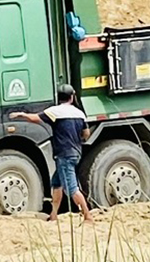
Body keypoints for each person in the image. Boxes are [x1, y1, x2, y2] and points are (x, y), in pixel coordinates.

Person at [11, 84, 95, 223]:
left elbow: (35, 118)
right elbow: (86, 134)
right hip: (75, 153)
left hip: (64, 155)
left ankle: (87, 215)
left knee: (71, 189)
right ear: (72, 97)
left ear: (59, 97)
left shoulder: (55, 111)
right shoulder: (79, 113)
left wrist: (22, 115)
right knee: (56, 183)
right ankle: (54, 214)